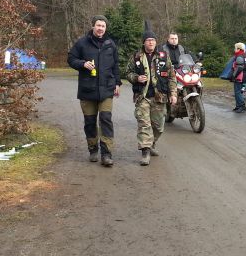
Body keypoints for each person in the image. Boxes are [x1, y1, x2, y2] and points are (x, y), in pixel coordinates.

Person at [67, 15, 121, 167]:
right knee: (90, 122)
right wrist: (82, 64)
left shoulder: (110, 44)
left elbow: (116, 65)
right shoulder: (82, 43)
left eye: (103, 26)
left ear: (105, 28)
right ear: (93, 26)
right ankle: (92, 149)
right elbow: (71, 59)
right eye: (98, 25)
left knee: (106, 119)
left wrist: (117, 83)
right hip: (87, 90)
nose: (100, 28)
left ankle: (106, 154)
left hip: (106, 89)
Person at [126, 22, 177, 166]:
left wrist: (173, 93)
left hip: (159, 97)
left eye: (153, 40)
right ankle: (145, 151)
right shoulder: (136, 56)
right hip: (142, 97)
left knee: (159, 126)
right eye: (148, 40)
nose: (151, 42)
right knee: (144, 124)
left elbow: (172, 76)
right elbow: (128, 72)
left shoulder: (163, 56)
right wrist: (136, 78)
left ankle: (151, 143)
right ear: (144, 42)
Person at [231, 42, 246, 113]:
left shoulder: (239, 56)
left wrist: (233, 76)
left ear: (238, 49)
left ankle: (242, 106)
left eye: (235, 48)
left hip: (239, 77)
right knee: (239, 92)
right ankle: (238, 106)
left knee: (238, 92)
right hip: (245, 76)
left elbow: (239, 68)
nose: (234, 49)